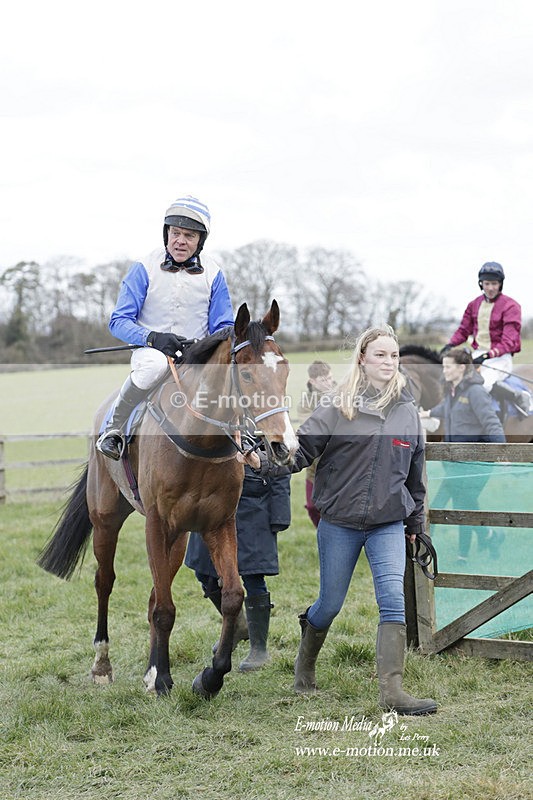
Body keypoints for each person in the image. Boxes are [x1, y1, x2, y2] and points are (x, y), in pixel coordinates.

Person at [246, 325, 437, 715]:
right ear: (363, 359)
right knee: (329, 604)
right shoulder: (337, 406)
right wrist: (263, 463)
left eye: (394, 355)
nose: (388, 362)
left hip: (387, 523)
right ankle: (305, 664)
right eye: (380, 354)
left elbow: (415, 476)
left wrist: (416, 526)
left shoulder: (407, 411)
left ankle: (393, 692)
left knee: (392, 601)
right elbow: (300, 453)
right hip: (340, 523)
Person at [96, 195, 234, 459]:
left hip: (197, 355)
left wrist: (206, 346)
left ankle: (247, 437)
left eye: (189, 236)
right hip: (152, 351)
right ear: (166, 233)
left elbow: (224, 325)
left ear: (200, 241)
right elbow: (119, 321)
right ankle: (113, 430)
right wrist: (152, 338)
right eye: (175, 233)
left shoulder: (214, 273)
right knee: (154, 367)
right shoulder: (143, 267)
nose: (180, 241)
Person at [185, 462, 291, 671]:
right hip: (212, 509)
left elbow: (281, 467)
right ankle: (238, 626)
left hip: (254, 509)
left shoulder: (263, 428)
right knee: (204, 574)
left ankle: (258, 649)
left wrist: (280, 515)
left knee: (253, 578)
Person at [419, 347, 505, 561]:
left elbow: (492, 423)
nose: (444, 370)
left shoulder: (475, 392)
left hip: (474, 462)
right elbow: (446, 408)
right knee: (464, 504)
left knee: (458, 503)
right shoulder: (453, 390)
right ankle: (488, 537)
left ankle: (466, 551)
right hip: (455, 462)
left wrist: (503, 453)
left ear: (462, 368)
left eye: (448, 366)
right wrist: (427, 413)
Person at [441, 262, 529, 414]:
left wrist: (489, 354)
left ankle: (518, 397)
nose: (490, 288)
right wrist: (450, 345)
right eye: (487, 283)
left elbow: (509, 341)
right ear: (481, 283)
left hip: (500, 358)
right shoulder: (473, 305)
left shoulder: (511, 306)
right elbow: (463, 330)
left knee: (483, 385)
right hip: (476, 355)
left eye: (494, 284)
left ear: (500, 284)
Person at [297, 360, 335, 527]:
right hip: (314, 467)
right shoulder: (305, 403)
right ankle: (322, 533)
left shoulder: (342, 395)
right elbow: (311, 430)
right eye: (323, 380)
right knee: (313, 507)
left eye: (330, 378)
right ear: (312, 381)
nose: (329, 383)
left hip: (338, 465)